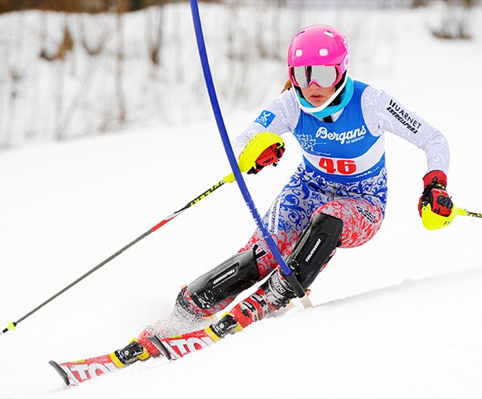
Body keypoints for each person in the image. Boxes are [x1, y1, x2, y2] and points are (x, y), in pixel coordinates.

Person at [114, 24, 453, 364]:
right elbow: (242, 144)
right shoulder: (290, 104)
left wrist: (435, 183)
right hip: (308, 188)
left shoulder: (371, 102)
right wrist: (256, 152)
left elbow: (433, 139)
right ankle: (187, 311)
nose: (314, 85)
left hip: (362, 201)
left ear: (341, 70)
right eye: (303, 75)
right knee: (263, 252)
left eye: (323, 73)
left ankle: (272, 298)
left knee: (331, 217)